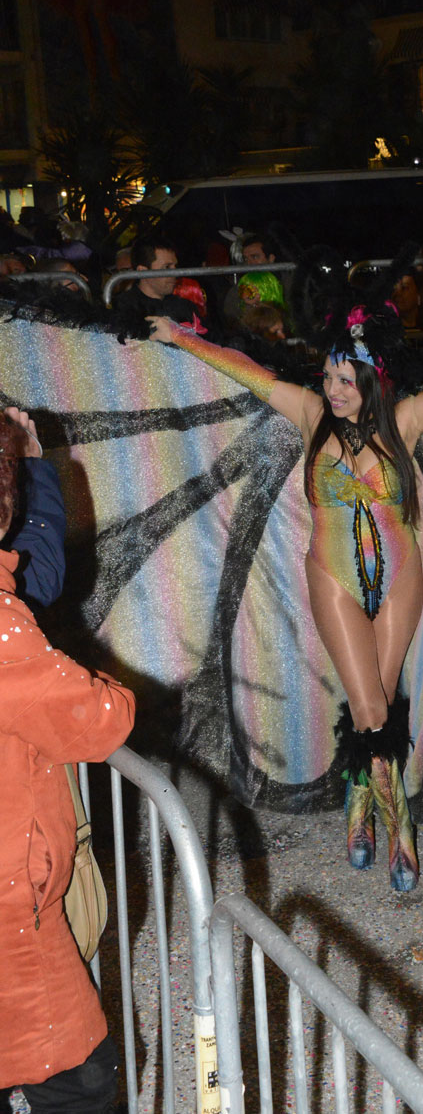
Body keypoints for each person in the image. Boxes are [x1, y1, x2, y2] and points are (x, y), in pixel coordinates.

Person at [147, 299, 423, 890]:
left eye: (345, 381)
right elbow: (247, 372)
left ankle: (359, 803)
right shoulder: (309, 415)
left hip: (402, 579)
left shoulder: (404, 421)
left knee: (374, 702)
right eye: (328, 377)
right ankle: (400, 830)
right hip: (333, 580)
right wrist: (181, 337)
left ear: (372, 380)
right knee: (373, 709)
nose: (332, 390)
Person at [0, 408, 136, 1112]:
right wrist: (104, 687)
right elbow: (97, 718)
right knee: (78, 1076)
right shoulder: (2, 630)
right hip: (9, 916)